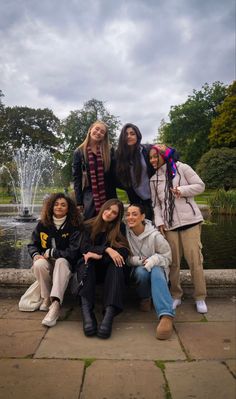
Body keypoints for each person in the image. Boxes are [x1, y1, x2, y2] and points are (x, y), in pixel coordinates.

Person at [149, 144, 207, 313]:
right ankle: (176, 295)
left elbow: (200, 185)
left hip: (191, 222)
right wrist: (160, 222)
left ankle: (200, 297)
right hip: (169, 226)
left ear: (164, 155)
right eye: (150, 157)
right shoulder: (153, 179)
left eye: (155, 156)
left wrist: (182, 190)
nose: (152, 160)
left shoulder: (182, 168)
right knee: (173, 263)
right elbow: (156, 205)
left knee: (195, 261)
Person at [27, 193, 85, 327]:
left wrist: (52, 252)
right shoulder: (43, 224)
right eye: (56, 204)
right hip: (48, 262)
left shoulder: (74, 225)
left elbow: (74, 251)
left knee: (60, 261)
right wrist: (35, 254)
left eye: (63, 205)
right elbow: (32, 244)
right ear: (51, 206)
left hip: (65, 263)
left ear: (68, 208)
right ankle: (46, 298)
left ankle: (56, 304)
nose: (59, 207)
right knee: (39, 264)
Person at [76, 198, 130, 339]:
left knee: (117, 264)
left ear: (117, 216)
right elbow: (83, 249)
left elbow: (124, 251)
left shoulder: (119, 228)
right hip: (91, 269)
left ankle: (109, 314)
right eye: (108, 209)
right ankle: (87, 313)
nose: (109, 213)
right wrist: (106, 249)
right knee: (86, 261)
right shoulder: (88, 225)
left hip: (108, 270)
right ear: (102, 208)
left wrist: (105, 254)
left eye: (114, 213)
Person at [125, 203, 174, 340]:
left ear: (143, 217)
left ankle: (166, 315)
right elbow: (126, 258)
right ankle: (145, 298)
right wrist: (139, 260)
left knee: (156, 269)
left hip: (158, 269)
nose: (130, 217)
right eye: (128, 214)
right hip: (138, 271)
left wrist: (152, 260)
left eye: (134, 214)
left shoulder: (155, 236)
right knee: (141, 272)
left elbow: (168, 257)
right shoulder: (126, 234)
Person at [72, 120, 117, 220]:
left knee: (110, 224)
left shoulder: (109, 151)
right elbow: (77, 179)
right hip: (89, 195)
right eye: (97, 129)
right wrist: (79, 202)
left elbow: (114, 174)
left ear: (104, 136)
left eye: (102, 132)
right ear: (90, 129)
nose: (98, 132)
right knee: (89, 223)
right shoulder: (79, 152)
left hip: (108, 194)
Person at [116, 123, 154, 220]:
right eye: (126, 134)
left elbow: (172, 154)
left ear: (138, 135)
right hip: (136, 200)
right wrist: (127, 186)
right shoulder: (118, 156)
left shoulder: (147, 149)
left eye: (132, 133)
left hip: (155, 198)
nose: (129, 136)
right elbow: (116, 178)